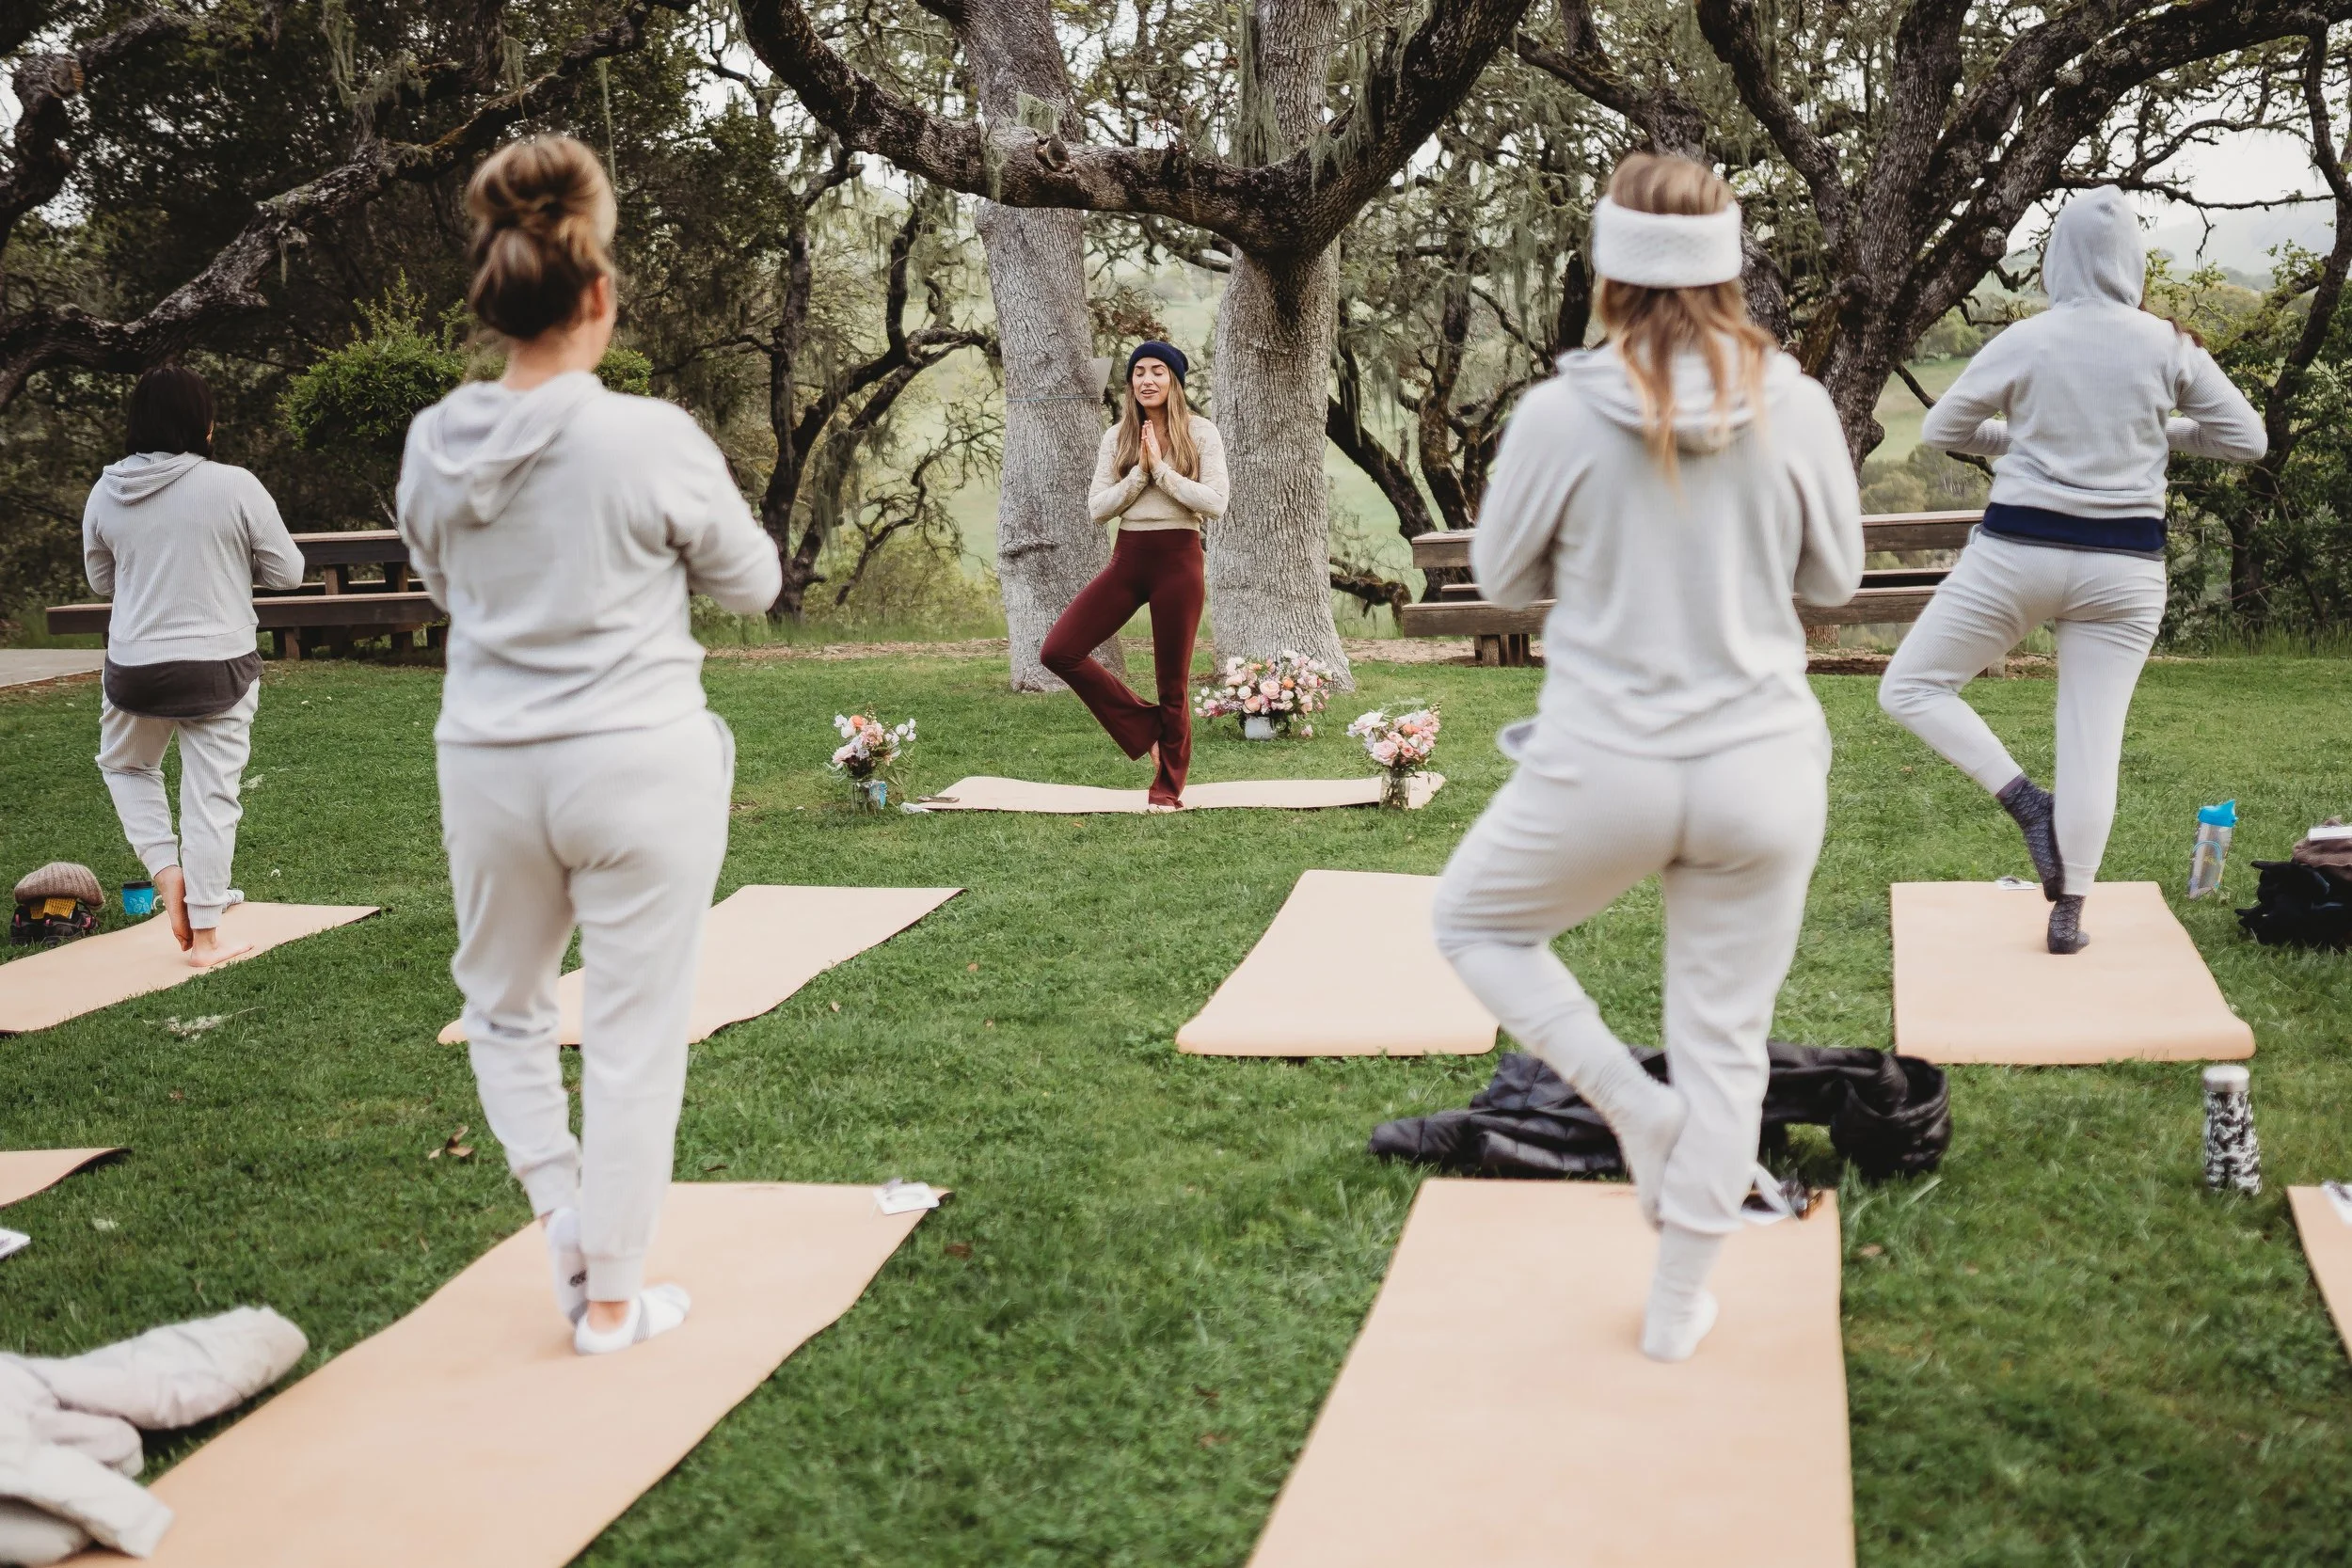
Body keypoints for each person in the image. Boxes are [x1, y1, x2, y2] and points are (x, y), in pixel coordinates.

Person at [1430, 153, 1863, 1363]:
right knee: (1726, 1036)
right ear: (1731, 262)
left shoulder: (1561, 410)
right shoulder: (1802, 402)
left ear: (1608, 263)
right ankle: (1676, 1310)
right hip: (1762, 766)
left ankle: (1629, 1104)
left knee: (1474, 924)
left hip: (1604, 761)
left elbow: (1505, 581)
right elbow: (1830, 586)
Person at [396, 136, 781, 1355]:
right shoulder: (647, 437)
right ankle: (612, 1294)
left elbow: (442, 578)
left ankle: (560, 1209)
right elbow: (753, 583)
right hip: (637, 757)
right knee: (628, 1031)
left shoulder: (429, 444)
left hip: (491, 762)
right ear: (599, 292)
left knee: (503, 1008)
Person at [1879, 186, 2265, 954]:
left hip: (2019, 554)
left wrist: (2023, 440)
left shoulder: (2031, 338)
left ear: (2058, 260)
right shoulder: (2167, 345)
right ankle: (2069, 914)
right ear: (2131, 261)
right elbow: (2244, 440)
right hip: (2125, 571)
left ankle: (2024, 800)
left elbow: (1942, 427)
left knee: (1912, 687)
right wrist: (2156, 432)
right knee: (2094, 739)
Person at [84, 366, 306, 969]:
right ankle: (205, 934)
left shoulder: (105, 492)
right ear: (203, 424)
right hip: (217, 666)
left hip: (134, 668)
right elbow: (288, 572)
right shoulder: (234, 486)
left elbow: (102, 580)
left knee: (127, 767)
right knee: (211, 795)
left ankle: (166, 874)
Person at [1040, 342, 1229, 808]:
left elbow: (1216, 503)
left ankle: (1168, 784)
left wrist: (1160, 471)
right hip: (1129, 558)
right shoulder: (1117, 437)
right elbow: (1097, 509)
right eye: (1138, 372)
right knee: (1059, 650)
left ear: (1174, 380)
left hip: (1180, 561)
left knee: (1172, 681)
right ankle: (1144, 725)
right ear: (1131, 384)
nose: (1147, 380)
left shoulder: (1201, 433)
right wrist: (1138, 476)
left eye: (1157, 371)